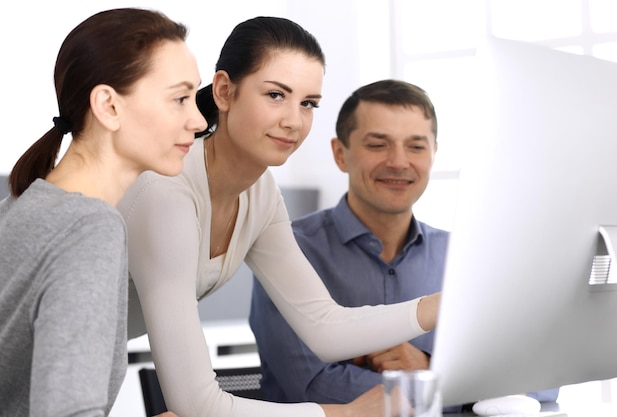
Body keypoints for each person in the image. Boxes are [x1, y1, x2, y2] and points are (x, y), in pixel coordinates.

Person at [117, 17, 440, 417]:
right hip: (37, 374)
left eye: (307, 103)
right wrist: (346, 414)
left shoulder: (260, 192)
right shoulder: (168, 190)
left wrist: (444, 304)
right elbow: (194, 403)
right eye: (275, 95)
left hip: (86, 371)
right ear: (223, 91)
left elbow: (324, 326)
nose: (293, 120)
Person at [249, 79, 561, 409]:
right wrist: (461, 386)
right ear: (341, 154)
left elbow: (541, 382)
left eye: (415, 146)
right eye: (378, 144)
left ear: (433, 154)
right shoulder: (287, 251)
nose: (399, 162)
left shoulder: (463, 258)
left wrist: (428, 367)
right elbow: (313, 386)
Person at [0, 7, 206, 417]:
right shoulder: (89, 226)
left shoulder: (21, 203)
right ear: (108, 106)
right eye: (180, 99)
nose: (198, 120)